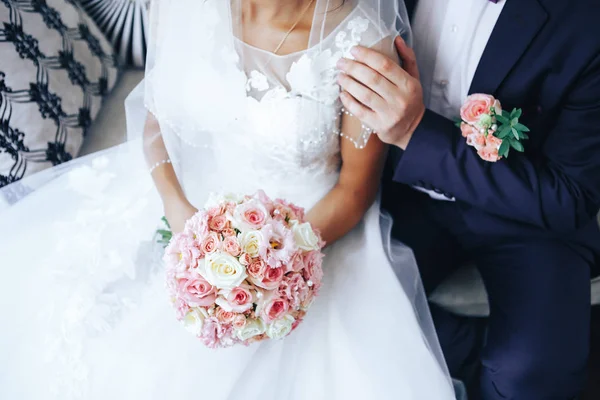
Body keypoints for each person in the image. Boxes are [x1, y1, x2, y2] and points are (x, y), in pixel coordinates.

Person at [0, 1, 456, 399]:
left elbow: (355, 191)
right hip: (186, 207)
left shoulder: (363, 45)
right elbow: (157, 125)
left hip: (308, 231)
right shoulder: (182, 8)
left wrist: (273, 264)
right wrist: (180, 213)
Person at [336, 0, 600, 398]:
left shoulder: (586, 21)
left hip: (528, 215)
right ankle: (466, 353)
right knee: (338, 313)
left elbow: (571, 196)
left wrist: (415, 132)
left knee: (529, 371)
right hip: (401, 195)